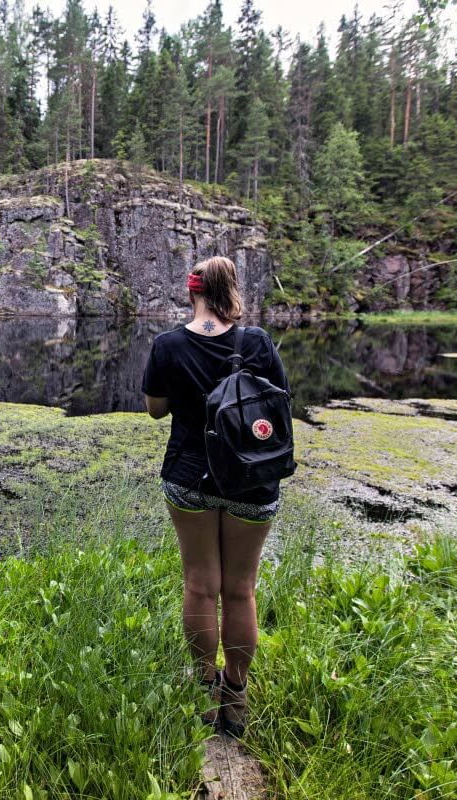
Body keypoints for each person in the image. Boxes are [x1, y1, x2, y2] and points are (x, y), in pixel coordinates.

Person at [140, 255, 289, 739]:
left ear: (192, 292)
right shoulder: (258, 342)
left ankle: (206, 685)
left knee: (200, 585)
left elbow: (155, 412)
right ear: (232, 290)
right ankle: (237, 694)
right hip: (252, 480)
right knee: (241, 589)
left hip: (189, 479)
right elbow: (280, 403)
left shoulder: (167, 345)